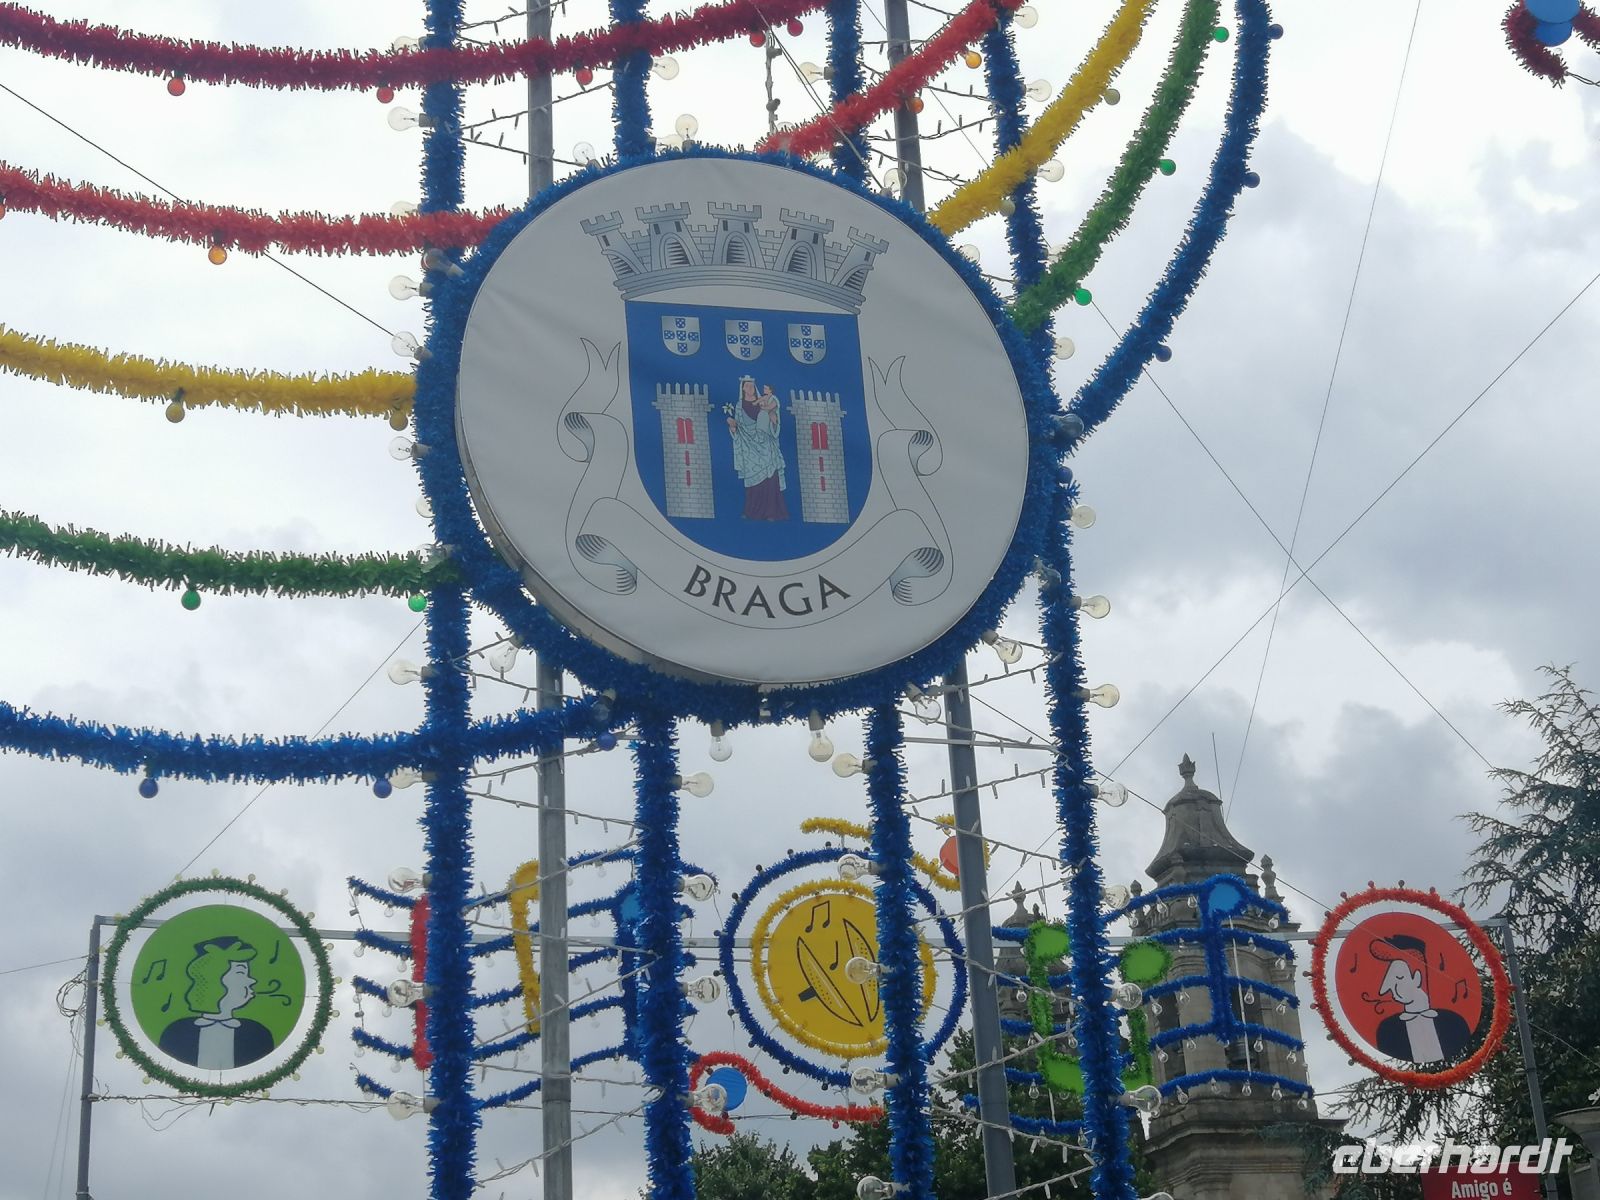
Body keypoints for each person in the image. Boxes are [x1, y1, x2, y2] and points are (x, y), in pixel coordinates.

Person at [157, 936, 276, 1070]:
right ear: (213, 977)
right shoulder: (175, 1032)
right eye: (241, 972)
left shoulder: (258, 1034)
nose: (251, 981)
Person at [1369, 933, 1472, 1063]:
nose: (1389, 987)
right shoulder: (1387, 1031)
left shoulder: (1454, 1023)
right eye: (1389, 979)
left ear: (1417, 978)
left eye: (1399, 978)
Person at [726, 376, 788, 520]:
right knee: (753, 482)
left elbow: (773, 419)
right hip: (749, 449)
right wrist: (733, 427)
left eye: (752, 386)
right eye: (747, 386)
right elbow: (739, 429)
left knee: (770, 478)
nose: (750, 388)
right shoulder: (739, 406)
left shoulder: (764, 402)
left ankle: (771, 512)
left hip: (765, 445)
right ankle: (752, 511)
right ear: (742, 388)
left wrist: (774, 421)